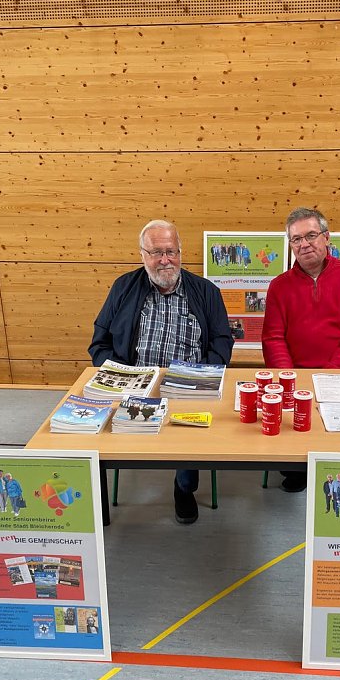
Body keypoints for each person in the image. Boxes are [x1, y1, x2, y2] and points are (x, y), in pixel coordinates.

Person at [89, 220, 233, 524]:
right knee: (96, 431)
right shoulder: (123, 288)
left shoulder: (206, 292)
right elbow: (99, 343)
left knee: (189, 433)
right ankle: (102, 490)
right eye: (156, 252)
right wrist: (119, 375)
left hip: (187, 387)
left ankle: (184, 489)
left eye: (171, 251)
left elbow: (222, 342)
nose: (165, 260)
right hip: (134, 386)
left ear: (180, 252)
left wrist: (200, 377)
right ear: (142, 255)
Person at [262, 207, 340, 492]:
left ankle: (335, 471)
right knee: (288, 431)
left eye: (311, 235)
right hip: (295, 376)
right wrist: (290, 379)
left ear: (326, 237)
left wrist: (328, 377)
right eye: (296, 239)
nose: (304, 244)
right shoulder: (279, 286)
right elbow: (273, 338)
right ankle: (297, 470)